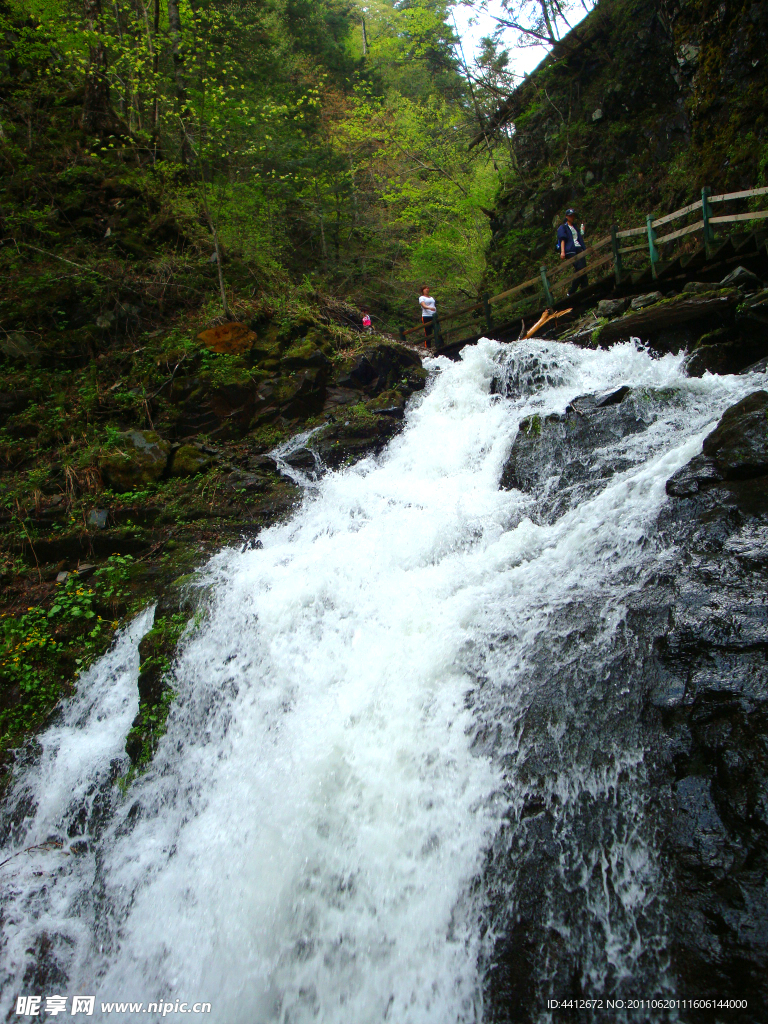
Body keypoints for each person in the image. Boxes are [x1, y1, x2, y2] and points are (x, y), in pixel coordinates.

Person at [557, 208, 588, 296]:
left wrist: (582, 231)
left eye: (573, 215)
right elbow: (562, 239)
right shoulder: (563, 227)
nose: (572, 217)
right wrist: (562, 252)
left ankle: (585, 288)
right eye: (570, 215)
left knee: (584, 269)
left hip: (579, 248)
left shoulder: (574, 227)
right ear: (566, 216)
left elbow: (577, 237)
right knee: (580, 268)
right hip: (570, 250)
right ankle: (571, 291)